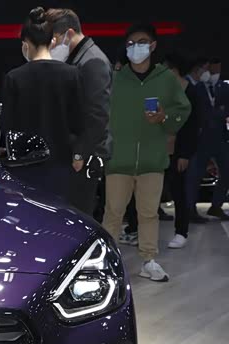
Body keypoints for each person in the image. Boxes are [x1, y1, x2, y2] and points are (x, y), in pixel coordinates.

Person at [102, 23, 191, 283]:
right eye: (130, 44)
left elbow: (182, 109)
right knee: (113, 212)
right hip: (118, 159)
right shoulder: (116, 78)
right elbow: (99, 111)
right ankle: (106, 262)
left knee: (149, 213)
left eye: (141, 42)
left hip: (152, 159)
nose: (135, 48)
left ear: (152, 46)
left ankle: (149, 260)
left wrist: (165, 118)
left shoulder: (166, 79)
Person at [1, 7, 84, 203]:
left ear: (26, 43)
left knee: (28, 216)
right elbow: (79, 121)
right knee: (59, 215)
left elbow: (8, 127)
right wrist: (77, 155)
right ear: (52, 41)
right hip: (62, 164)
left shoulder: (14, 77)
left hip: (26, 166)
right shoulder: (71, 74)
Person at [46, 8, 112, 216]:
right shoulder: (77, 58)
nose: (51, 45)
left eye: (54, 39)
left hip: (83, 157)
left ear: (69, 33)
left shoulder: (92, 61)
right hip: (74, 155)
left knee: (78, 216)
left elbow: (97, 115)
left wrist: (79, 154)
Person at [161, 52, 200, 249]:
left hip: (178, 151)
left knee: (179, 191)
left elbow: (192, 127)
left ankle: (181, 231)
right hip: (159, 149)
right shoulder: (162, 88)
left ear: (174, 69)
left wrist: (184, 154)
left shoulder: (190, 91)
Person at [185, 56, 229, 221]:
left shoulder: (224, 87)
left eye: (218, 70)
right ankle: (190, 209)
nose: (215, 72)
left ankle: (216, 205)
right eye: (212, 69)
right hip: (200, 139)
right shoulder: (194, 88)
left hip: (220, 138)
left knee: (226, 171)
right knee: (195, 175)